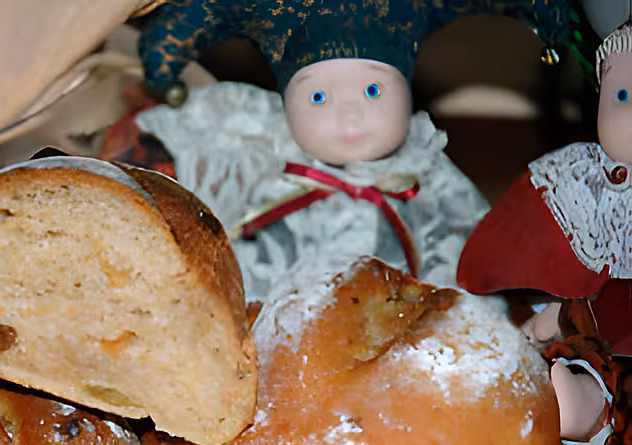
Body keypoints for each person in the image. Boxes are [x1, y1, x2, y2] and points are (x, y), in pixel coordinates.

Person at [131, 0, 574, 303]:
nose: (349, 114)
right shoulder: (269, 165)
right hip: (278, 301)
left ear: (407, 96)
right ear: (286, 108)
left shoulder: (422, 171)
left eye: (372, 90)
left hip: (402, 308)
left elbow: (477, 234)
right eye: (318, 97)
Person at [458, 19, 632, 445]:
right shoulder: (591, 181)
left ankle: (586, 409)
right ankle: (561, 383)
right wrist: (546, 320)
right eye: (622, 97)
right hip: (594, 322)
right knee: (565, 334)